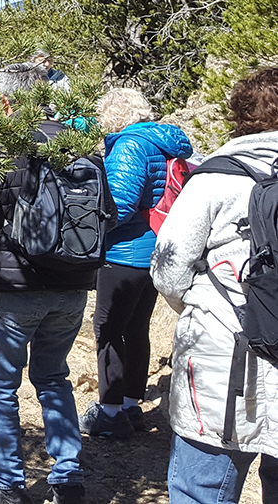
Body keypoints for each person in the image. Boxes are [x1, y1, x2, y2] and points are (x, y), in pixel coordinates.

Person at [0, 62, 109, 504]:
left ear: (6, 101)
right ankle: (68, 476)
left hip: (13, 288)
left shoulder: (1, 149)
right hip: (72, 286)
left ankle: (8, 485)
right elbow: (106, 218)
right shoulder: (81, 148)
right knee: (54, 377)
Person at [150, 68, 278, 504]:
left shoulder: (215, 179)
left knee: (200, 488)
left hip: (223, 357)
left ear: (241, 115)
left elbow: (168, 269)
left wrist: (200, 306)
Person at [79, 88, 193, 439]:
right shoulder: (163, 142)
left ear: (112, 114)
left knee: (108, 329)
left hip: (124, 253)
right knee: (136, 329)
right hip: (157, 249)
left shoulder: (129, 144)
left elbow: (121, 203)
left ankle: (111, 413)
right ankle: (131, 406)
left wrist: (88, 228)